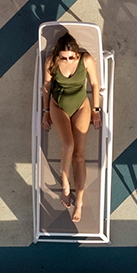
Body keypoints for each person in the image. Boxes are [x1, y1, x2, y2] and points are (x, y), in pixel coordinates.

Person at [40, 33, 103, 224]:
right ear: (58, 54)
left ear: (76, 53)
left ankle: (80, 202)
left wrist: (96, 110)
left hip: (81, 105)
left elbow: (94, 83)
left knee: (79, 155)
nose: (67, 60)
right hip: (58, 105)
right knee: (68, 144)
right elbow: (47, 85)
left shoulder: (86, 59)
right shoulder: (51, 62)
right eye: (63, 57)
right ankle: (66, 184)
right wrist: (45, 111)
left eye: (71, 56)